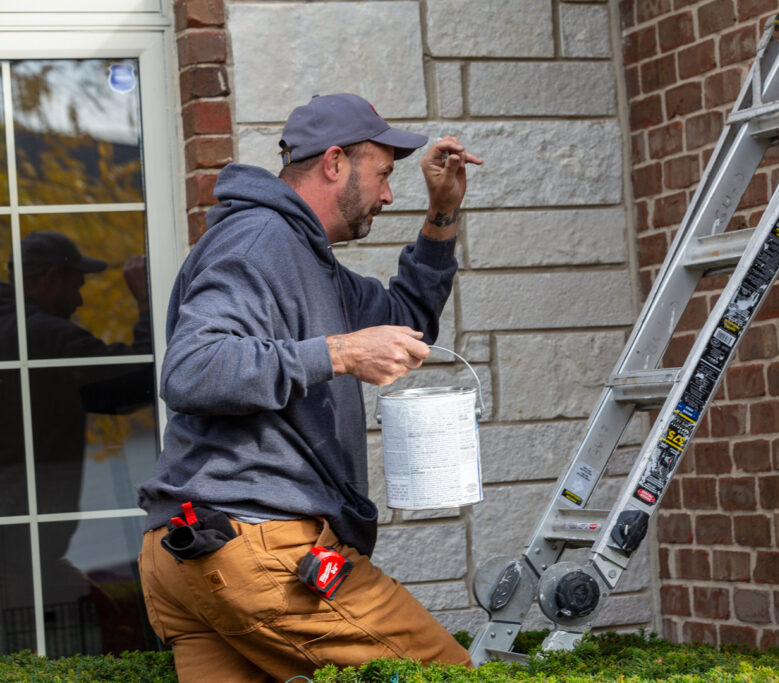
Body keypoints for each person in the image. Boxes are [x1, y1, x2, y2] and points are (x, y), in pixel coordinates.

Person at [136, 93, 483, 682]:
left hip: (192, 555)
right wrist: (342, 352)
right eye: (382, 174)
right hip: (257, 546)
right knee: (450, 674)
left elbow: (408, 324)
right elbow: (193, 367)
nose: (388, 194)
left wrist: (441, 215)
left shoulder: (310, 262)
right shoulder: (257, 241)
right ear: (334, 163)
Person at [0, 231, 153, 654]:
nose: (81, 301)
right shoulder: (44, 338)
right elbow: (132, 385)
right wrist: (146, 304)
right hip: (19, 552)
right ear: (50, 279)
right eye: (76, 286)